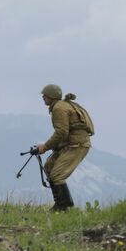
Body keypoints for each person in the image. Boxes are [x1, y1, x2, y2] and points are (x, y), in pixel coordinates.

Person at [32, 83, 93, 211]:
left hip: (77, 145)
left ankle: (63, 206)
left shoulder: (59, 108)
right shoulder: (62, 106)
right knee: (49, 167)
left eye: (45, 95)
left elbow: (61, 132)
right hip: (70, 144)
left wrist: (45, 147)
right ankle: (60, 204)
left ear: (51, 96)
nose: (43, 97)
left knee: (57, 175)